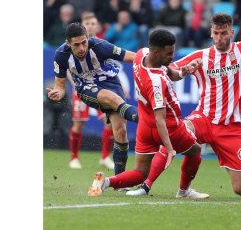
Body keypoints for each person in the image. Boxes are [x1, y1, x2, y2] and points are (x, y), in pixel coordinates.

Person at [126, 0, 241, 198]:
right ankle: (147, 186)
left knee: (240, 189)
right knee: (176, 135)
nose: (219, 38)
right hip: (202, 119)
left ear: (232, 32)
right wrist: (183, 71)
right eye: (216, 33)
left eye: (223, 33)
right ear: (211, 33)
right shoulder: (201, 56)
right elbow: (170, 71)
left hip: (230, 128)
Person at [87, 29, 209, 199]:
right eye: (169, 53)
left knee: (140, 172)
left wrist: (183, 72)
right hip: (170, 127)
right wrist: (169, 148)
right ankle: (184, 191)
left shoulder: (141, 54)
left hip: (144, 126)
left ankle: (105, 182)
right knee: (195, 151)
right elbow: (161, 119)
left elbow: (167, 70)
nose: (172, 57)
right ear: (156, 52)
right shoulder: (155, 82)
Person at [47, 23, 138, 175]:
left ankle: (119, 179)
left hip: (111, 82)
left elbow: (130, 56)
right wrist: (58, 93)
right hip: (85, 87)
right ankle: (148, 120)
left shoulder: (100, 46)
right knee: (111, 98)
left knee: (121, 130)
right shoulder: (61, 55)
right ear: (68, 43)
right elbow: (60, 86)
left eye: (84, 42)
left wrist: (150, 60)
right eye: (76, 45)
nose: (82, 48)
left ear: (88, 38)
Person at [67, 13, 119, 170]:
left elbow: (109, 67)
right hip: (81, 88)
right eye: (87, 23)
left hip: (100, 88)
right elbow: (66, 67)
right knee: (79, 124)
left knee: (108, 120)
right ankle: (74, 158)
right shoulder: (75, 44)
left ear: (97, 26)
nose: (90, 25)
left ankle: (105, 157)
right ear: (82, 26)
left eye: (93, 23)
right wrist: (74, 84)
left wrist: (119, 84)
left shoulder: (101, 44)